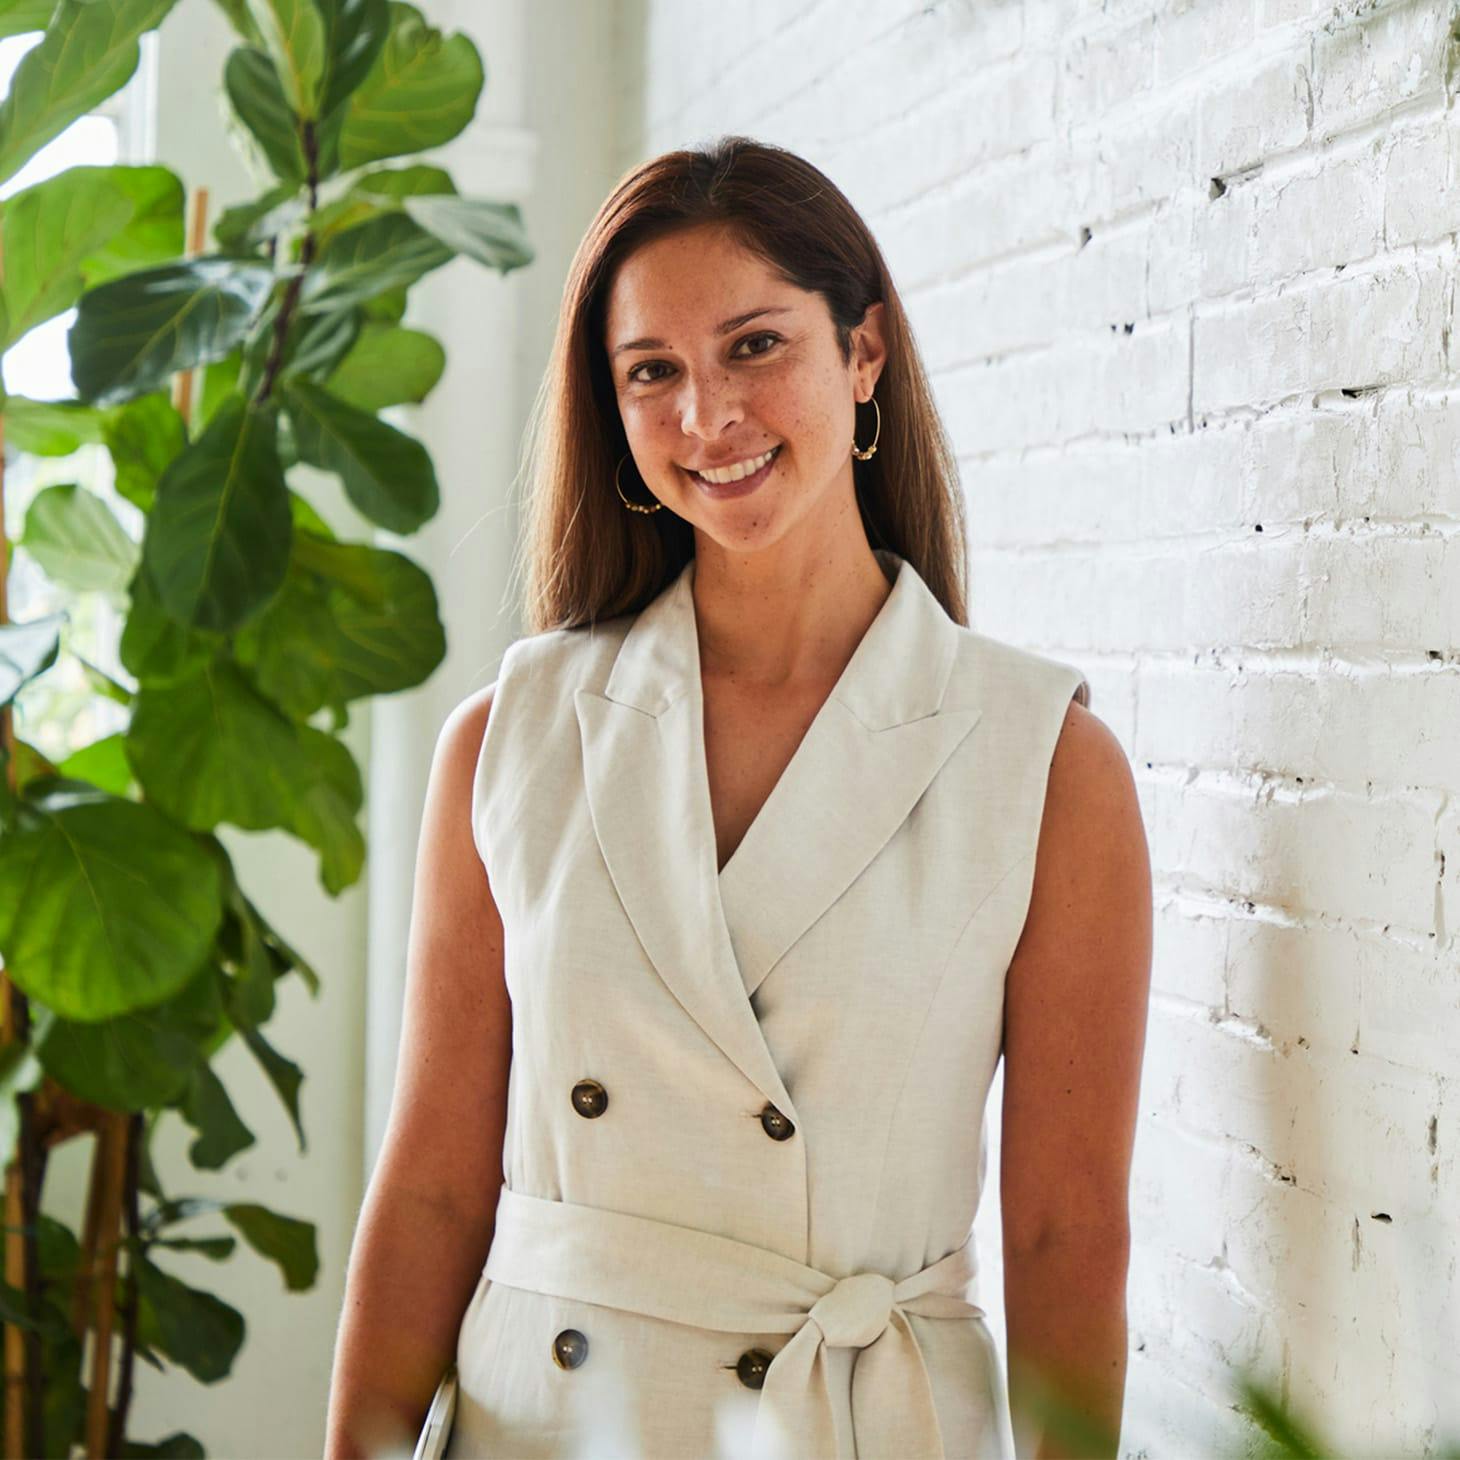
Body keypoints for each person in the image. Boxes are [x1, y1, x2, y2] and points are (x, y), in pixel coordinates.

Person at [325, 135, 1152, 1460]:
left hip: (854, 1420)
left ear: (862, 351)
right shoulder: (512, 738)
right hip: (546, 1416)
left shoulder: (1040, 763)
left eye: (756, 346)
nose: (706, 414)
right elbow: (429, 1190)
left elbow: (1067, 1227)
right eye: (652, 371)